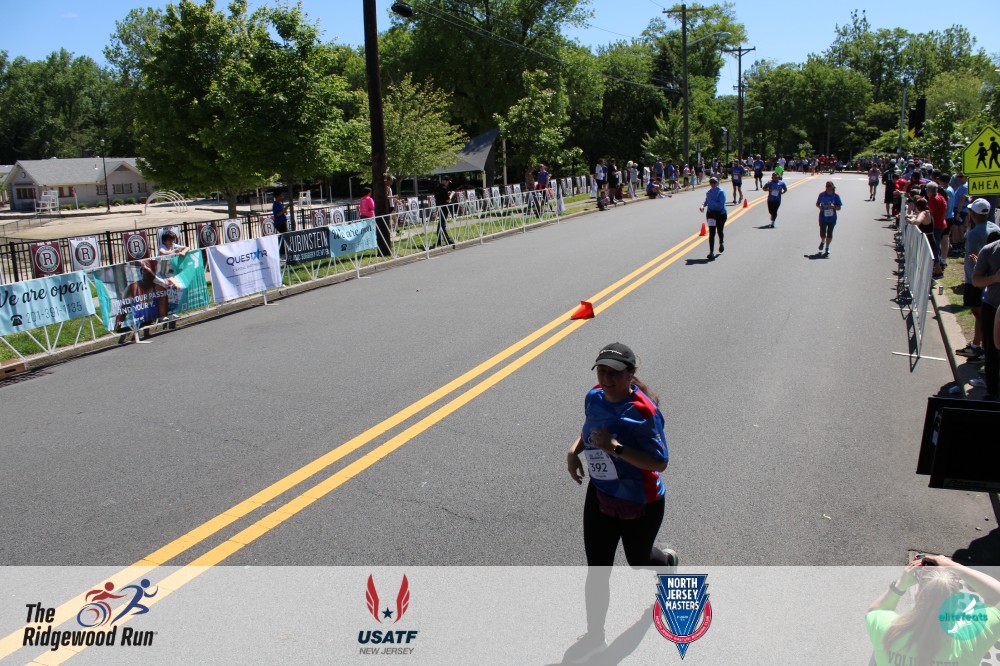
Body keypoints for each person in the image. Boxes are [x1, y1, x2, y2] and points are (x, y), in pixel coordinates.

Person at [564, 343, 675, 664]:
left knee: (638, 560)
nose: (607, 379)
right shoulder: (594, 396)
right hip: (601, 494)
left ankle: (667, 563)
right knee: (598, 571)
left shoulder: (643, 412)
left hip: (640, 501)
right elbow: (589, 430)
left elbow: (660, 462)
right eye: (602, 371)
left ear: (631, 374)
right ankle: (595, 636)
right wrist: (574, 451)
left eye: (614, 373)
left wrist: (616, 448)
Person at [866, 554, 1000, 666]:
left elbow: (876, 610)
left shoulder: (886, 629)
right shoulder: (972, 638)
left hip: (889, 639)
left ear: (917, 595)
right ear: (957, 602)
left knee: (881, 645)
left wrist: (901, 584)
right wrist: (955, 566)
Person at [956, 199, 1000, 362]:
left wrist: (973, 278)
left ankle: (981, 347)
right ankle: (976, 344)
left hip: (976, 279)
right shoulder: (995, 228)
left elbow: (974, 257)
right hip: (990, 279)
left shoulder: (974, 233)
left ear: (973, 214)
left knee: (979, 313)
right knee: (981, 314)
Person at [972, 223, 1000, 401]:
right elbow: (976, 281)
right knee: (992, 350)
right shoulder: (990, 250)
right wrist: (995, 278)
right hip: (993, 307)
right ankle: (992, 391)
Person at [700, 176, 728, 261]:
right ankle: (711, 252)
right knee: (712, 233)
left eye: (714, 182)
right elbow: (706, 201)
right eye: (711, 182)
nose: (712, 184)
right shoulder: (708, 192)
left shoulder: (721, 192)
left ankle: (721, 242)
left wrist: (711, 202)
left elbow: (721, 204)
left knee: (719, 230)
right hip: (711, 214)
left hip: (720, 214)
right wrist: (702, 206)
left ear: (717, 183)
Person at [815, 181, 843, 257]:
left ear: (833, 186)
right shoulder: (821, 195)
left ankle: (827, 248)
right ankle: (823, 241)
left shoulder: (836, 196)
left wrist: (833, 206)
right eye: (827, 186)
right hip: (822, 217)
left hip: (832, 218)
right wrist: (820, 207)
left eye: (829, 186)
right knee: (822, 234)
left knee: (830, 233)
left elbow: (839, 208)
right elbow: (817, 204)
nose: (828, 187)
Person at [430, 175, 455, 248]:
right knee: (442, 225)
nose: (448, 183)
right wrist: (451, 194)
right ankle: (448, 240)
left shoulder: (437, 187)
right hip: (444, 208)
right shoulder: (444, 188)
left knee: (440, 224)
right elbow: (448, 200)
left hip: (439, 207)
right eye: (448, 182)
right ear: (445, 181)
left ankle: (439, 240)